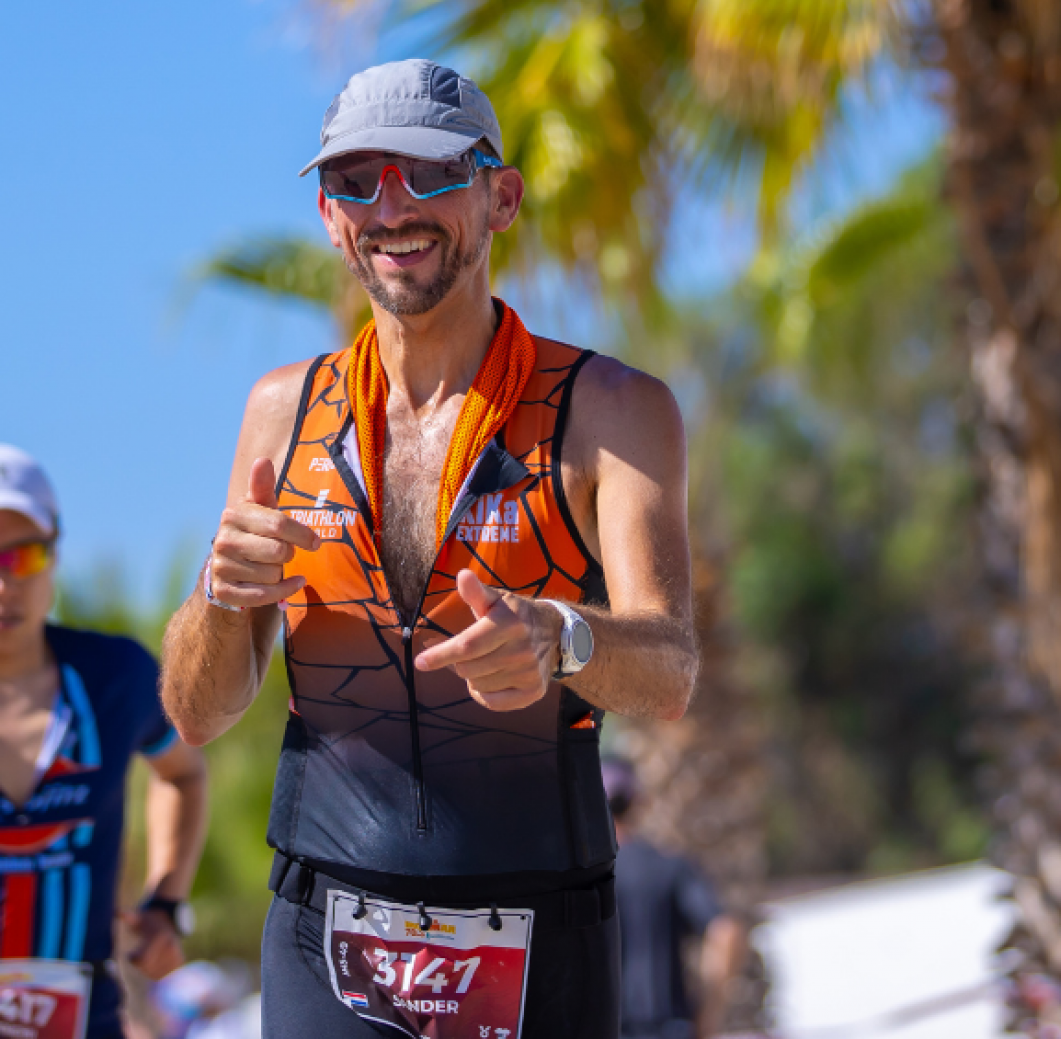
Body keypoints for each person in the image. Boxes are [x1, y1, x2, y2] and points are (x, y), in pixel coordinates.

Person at [160, 58, 698, 1039]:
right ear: (330, 218)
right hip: (323, 917)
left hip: (538, 918)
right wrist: (217, 593)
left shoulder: (611, 412)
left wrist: (562, 638)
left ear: (502, 198)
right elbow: (198, 713)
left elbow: (669, 672)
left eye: (432, 173)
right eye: (356, 181)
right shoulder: (282, 411)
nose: (391, 206)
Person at [0, 445, 208, 1039]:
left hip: (87, 1020)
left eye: (23, 555)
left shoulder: (114, 679)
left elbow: (182, 773)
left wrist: (165, 903)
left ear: (55, 555)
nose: (4, 583)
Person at [604, 759, 747, 1039]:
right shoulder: (669, 867)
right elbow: (726, 932)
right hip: (671, 1028)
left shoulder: (583, 880)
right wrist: (708, 1019)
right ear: (637, 802)